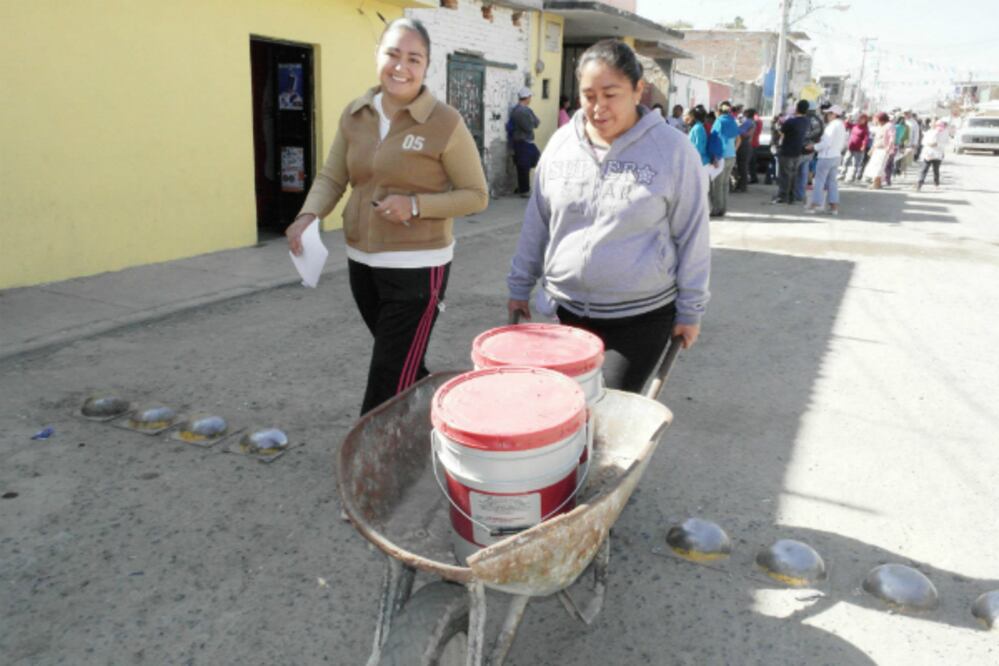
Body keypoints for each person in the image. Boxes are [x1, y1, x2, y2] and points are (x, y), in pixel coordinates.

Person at [286, 18, 488, 415]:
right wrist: (308, 215)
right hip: (362, 263)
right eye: (393, 54)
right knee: (401, 364)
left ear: (426, 66)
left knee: (388, 377)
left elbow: (477, 195)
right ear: (377, 55)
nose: (401, 66)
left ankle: (370, 450)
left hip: (418, 268)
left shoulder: (445, 122)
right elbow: (332, 176)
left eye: (414, 59)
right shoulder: (355, 114)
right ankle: (448, 420)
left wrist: (416, 205)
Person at [506, 39, 710, 392]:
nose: (598, 107)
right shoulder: (561, 145)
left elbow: (693, 235)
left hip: (639, 318)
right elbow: (537, 222)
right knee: (561, 407)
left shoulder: (673, 151)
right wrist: (519, 286)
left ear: (638, 90)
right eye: (588, 96)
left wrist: (691, 310)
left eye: (610, 94)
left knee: (607, 409)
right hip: (563, 313)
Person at [805, 104, 847, 215]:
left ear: (834, 114)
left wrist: (814, 147)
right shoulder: (841, 125)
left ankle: (814, 205)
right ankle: (834, 207)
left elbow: (826, 143)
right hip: (836, 156)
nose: (826, 115)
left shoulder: (831, 126)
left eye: (828, 113)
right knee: (832, 182)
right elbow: (843, 143)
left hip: (826, 156)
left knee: (819, 181)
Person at [771, 100, 810, 204]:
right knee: (793, 175)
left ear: (796, 108)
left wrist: (778, 126)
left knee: (785, 175)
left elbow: (781, 132)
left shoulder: (791, 121)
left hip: (787, 151)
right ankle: (792, 196)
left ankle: (783, 196)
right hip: (798, 152)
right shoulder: (806, 121)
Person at [709, 101, 740, 216]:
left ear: (718, 111)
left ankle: (717, 209)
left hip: (721, 157)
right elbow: (739, 139)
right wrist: (733, 151)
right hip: (732, 157)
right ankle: (723, 208)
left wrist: (715, 157)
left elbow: (715, 139)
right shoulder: (733, 121)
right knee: (725, 184)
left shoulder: (719, 122)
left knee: (717, 184)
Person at [510, 87, 541, 197]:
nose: (530, 99)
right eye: (530, 97)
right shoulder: (522, 111)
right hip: (523, 141)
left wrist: (532, 121)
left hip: (523, 141)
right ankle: (524, 190)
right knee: (524, 165)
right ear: (527, 97)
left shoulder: (523, 110)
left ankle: (523, 188)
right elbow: (530, 126)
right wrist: (532, 121)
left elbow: (536, 122)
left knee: (525, 164)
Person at [862, 112, 894, 189]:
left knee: (879, 166)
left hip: (884, 149)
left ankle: (875, 184)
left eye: (876, 118)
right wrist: (872, 149)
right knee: (875, 165)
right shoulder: (879, 126)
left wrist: (888, 148)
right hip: (877, 149)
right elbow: (876, 139)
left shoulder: (889, 125)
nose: (875, 120)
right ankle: (878, 183)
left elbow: (892, 137)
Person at [916, 119, 950, 191]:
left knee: (936, 170)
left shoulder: (944, 133)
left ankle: (936, 184)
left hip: (938, 154)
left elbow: (946, 143)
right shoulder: (929, 132)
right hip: (928, 154)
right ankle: (919, 184)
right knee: (924, 169)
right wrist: (929, 144)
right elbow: (923, 142)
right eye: (933, 124)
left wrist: (937, 144)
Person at [840, 113, 869, 182]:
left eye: (862, 119)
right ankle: (842, 174)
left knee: (855, 163)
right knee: (845, 160)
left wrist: (863, 146)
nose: (860, 120)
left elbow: (866, 139)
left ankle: (852, 177)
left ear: (865, 120)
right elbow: (846, 125)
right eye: (859, 119)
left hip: (859, 149)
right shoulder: (855, 126)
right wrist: (848, 118)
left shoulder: (865, 129)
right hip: (850, 147)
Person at [734, 108, 757, 192]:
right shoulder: (747, 121)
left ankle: (742, 186)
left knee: (742, 166)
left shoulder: (750, 122)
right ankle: (740, 185)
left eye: (744, 113)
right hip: (743, 145)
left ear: (747, 113)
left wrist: (738, 131)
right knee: (741, 166)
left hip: (744, 145)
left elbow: (747, 135)